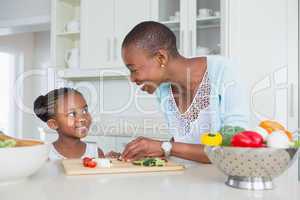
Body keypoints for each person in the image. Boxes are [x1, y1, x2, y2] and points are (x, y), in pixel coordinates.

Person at [120, 21, 249, 163]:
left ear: (161, 58)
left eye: (133, 69)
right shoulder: (163, 90)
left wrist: (164, 146)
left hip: (219, 182)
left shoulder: (223, 71)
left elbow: (232, 146)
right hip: (185, 179)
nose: (132, 79)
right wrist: (150, 151)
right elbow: (183, 140)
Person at [33, 87, 105, 160]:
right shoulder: (45, 156)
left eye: (84, 110)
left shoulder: (97, 153)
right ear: (53, 124)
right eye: (72, 114)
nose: (83, 118)